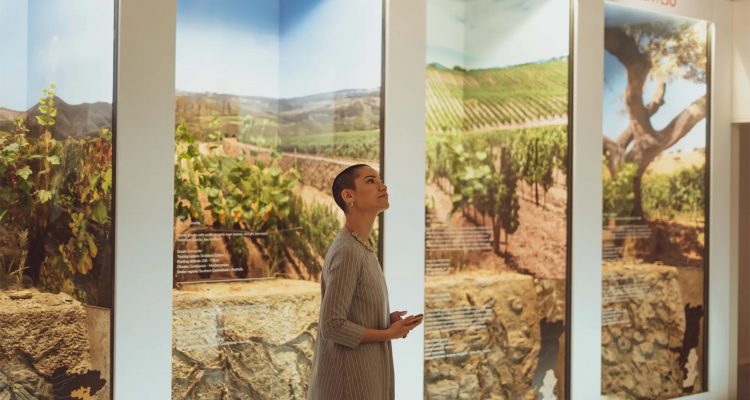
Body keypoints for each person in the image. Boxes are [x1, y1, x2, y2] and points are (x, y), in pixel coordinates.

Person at [307, 164, 423, 400]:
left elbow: (348, 314)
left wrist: (382, 321)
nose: (382, 186)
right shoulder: (348, 250)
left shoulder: (361, 247)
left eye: (380, 180)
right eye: (371, 181)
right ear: (348, 196)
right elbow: (332, 325)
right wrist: (388, 334)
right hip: (348, 383)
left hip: (362, 376)